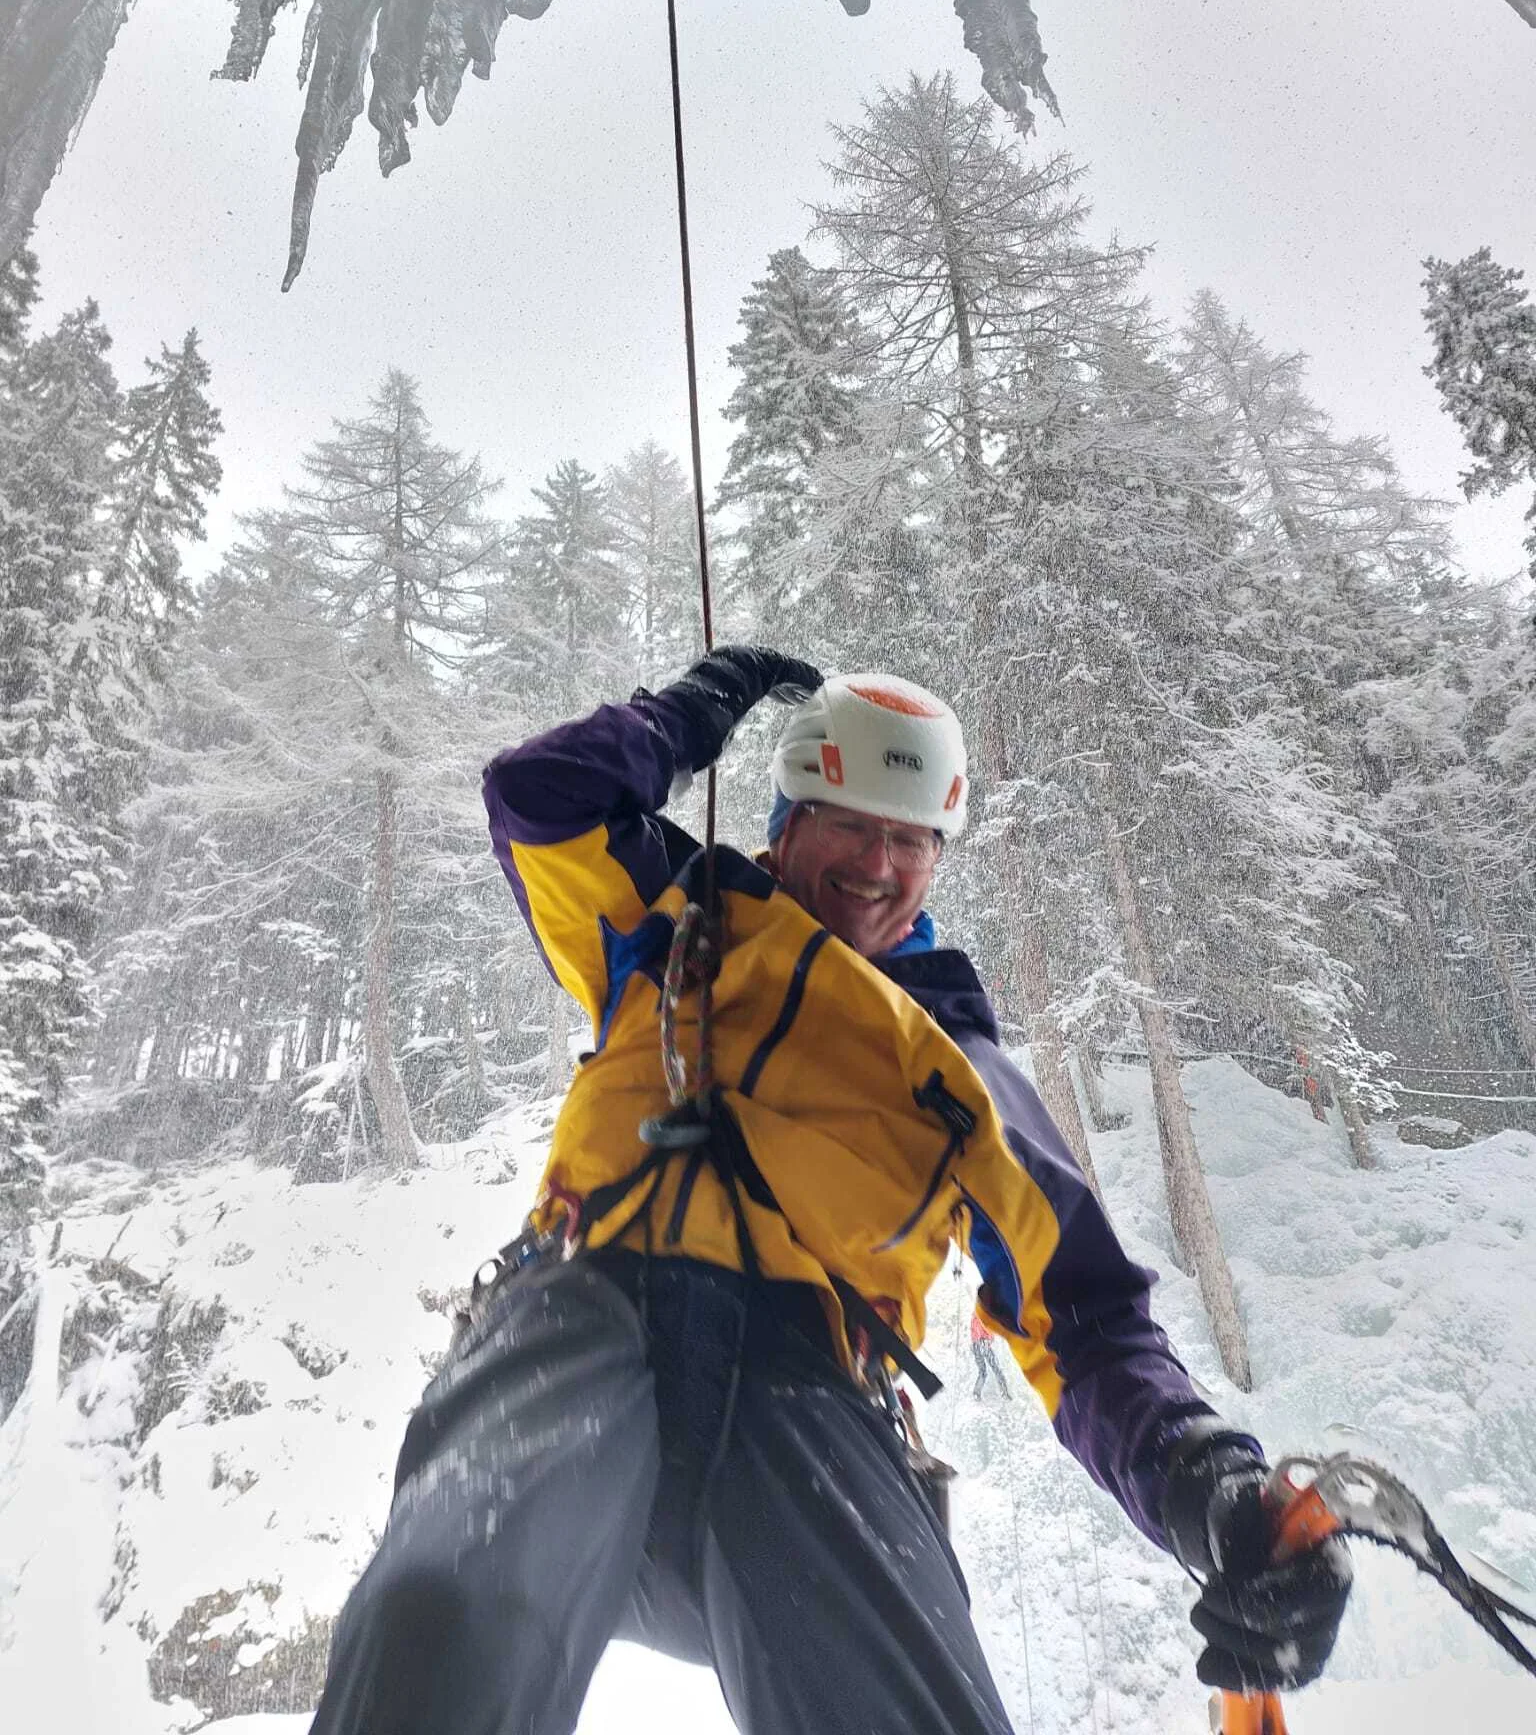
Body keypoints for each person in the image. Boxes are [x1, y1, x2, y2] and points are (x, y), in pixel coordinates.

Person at [309, 648, 1352, 1735]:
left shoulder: (960, 1064)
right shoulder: (668, 914)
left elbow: (1085, 1318)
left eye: (910, 838)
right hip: (580, 1315)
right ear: (788, 821)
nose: (877, 860)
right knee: (447, 1620)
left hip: (809, 1387)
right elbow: (541, 796)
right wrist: (686, 713)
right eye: (850, 820)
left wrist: (1210, 1490)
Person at [971, 1308, 1012, 1401]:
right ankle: (977, 1393)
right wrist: (984, 1340)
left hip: (981, 1344)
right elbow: (978, 1329)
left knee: (991, 1370)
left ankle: (1003, 1392)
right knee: (988, 1370)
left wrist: (988, 1339)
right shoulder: (979, 1316)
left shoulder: (985, 1316)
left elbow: (990, 1331)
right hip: (980, 1344)